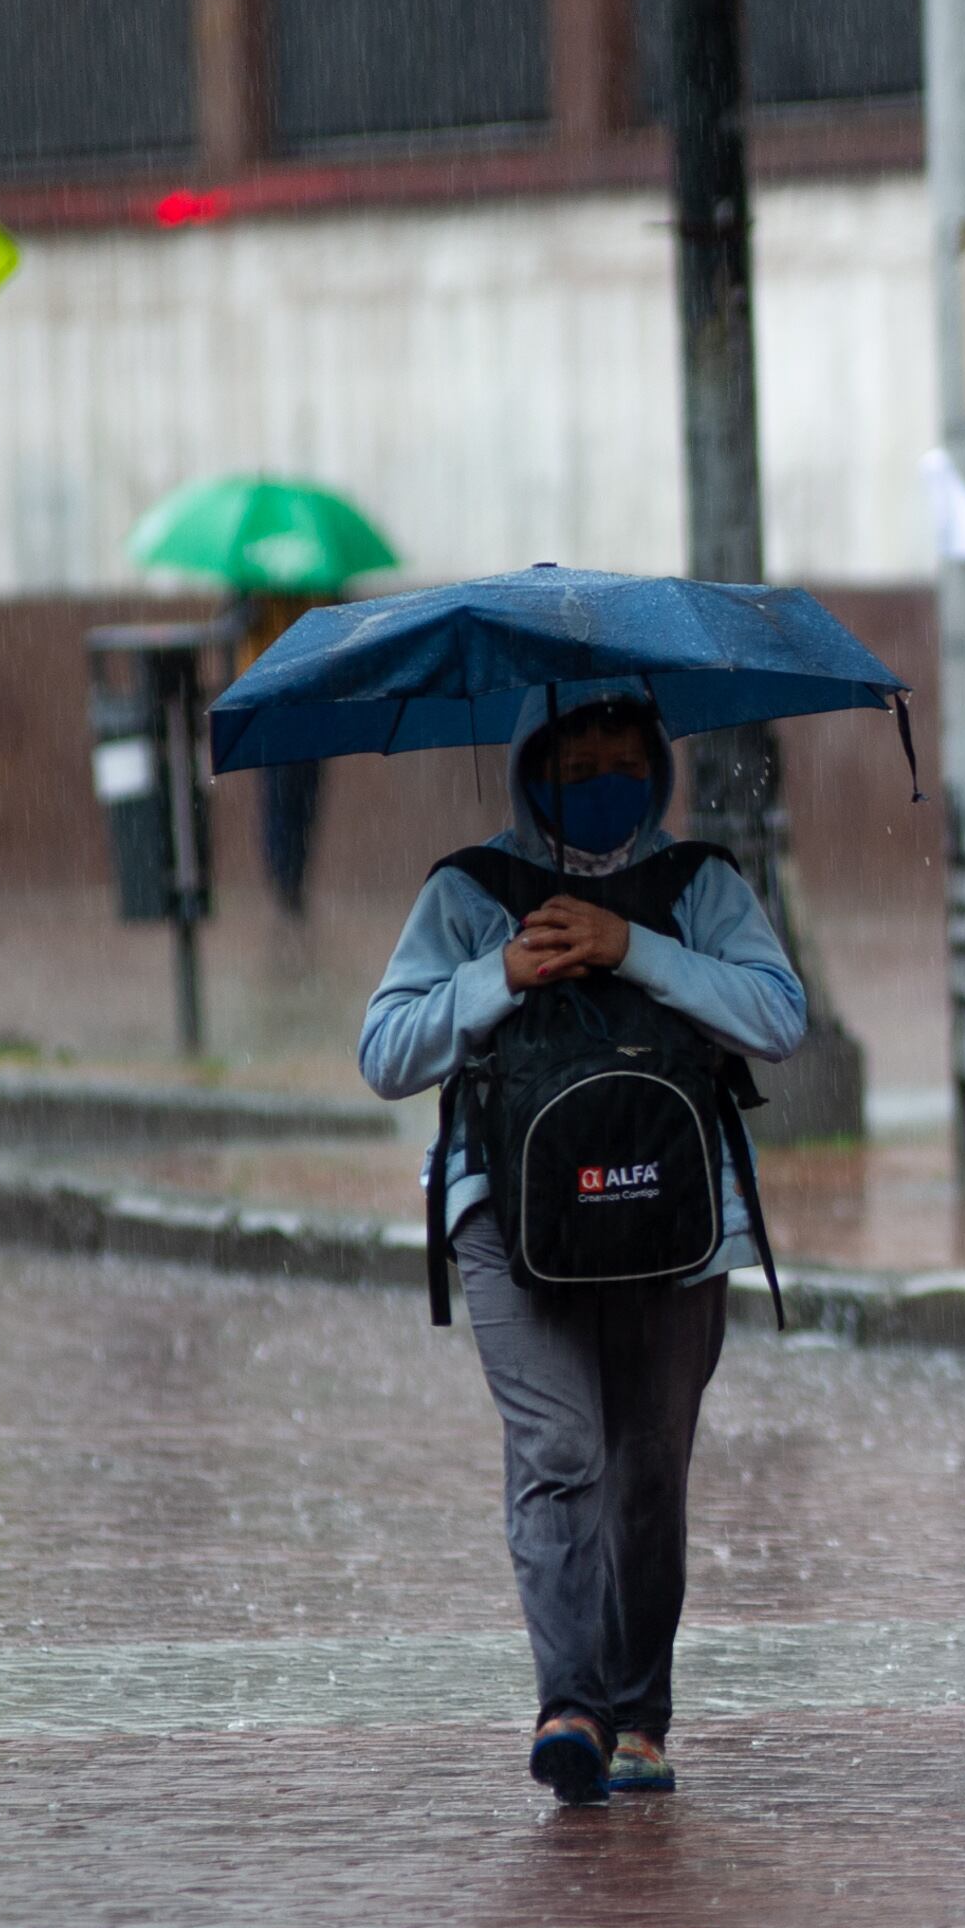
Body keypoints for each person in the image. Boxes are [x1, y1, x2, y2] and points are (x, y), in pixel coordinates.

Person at [358, 684, 803, 1805]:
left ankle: (638, 1716)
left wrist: (634, 948)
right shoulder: (468, 893)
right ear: (531, 766)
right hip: (509, 1222)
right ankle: (572, 1706)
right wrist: (498, 976)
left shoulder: (702, 887)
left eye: (625, 761)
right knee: (561, 1452)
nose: (606, 783)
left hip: (674, 1220)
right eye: (578, 762)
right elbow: (385, 1052)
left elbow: (777, 1017)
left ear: (657, 768)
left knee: (649, 1475)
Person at [226, 588, 330, 918]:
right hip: (268, 700)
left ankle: (295, 875)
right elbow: (230, 624)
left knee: (307, 796)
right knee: (279, 794)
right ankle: (283, 878)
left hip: (312, 701)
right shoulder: (251, 582)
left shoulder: (320, 583)